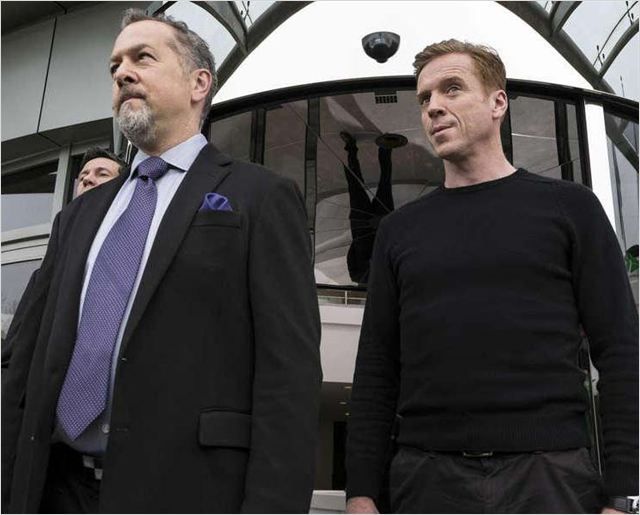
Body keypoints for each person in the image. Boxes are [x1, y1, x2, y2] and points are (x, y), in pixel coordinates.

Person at [2, 8, 321, 514]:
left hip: (186, 493)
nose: (122, 73)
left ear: (199, 83)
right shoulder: (79, 216)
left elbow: (289, 378)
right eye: (115, 66)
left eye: (142, 58)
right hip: (56, 491)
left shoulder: (260, 197)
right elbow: (24, 361)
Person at [345, 39, 638, 514]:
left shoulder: (570, 208)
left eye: (452, 89)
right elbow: (377, 368)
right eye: (424, 98)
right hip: (426, 480)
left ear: (498, 102)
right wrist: (360, 492)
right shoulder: (398, 231)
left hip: (549, 478)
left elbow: (622, 352)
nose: (433, 107)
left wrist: (625, 494)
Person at [1, 147, 125, 375]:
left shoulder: (129, 256)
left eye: (102, 174)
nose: (87, 179)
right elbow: (18, 345)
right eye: (84, 175)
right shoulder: (47, 273)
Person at [340, 132, 405, 285]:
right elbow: (395, 251)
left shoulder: (358, 276)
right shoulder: (387, 276)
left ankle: (351, 148)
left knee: (356, 186)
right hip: (379, 222)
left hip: (363, 224)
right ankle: (384, 149)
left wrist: (360, 235)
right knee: (384, 184)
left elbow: (352, 252)